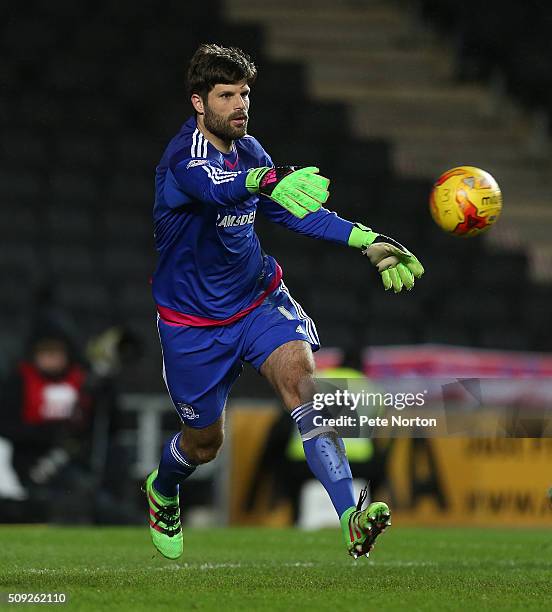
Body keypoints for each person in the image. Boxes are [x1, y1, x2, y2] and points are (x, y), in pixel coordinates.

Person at [144, 43, 424, 560]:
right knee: (204, 444)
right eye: (225, 95)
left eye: (244, 94)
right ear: (198, 103)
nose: (239, 105)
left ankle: (351, 516)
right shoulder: (184, 159)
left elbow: (291, 212)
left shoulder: (250, 150)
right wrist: (268, 179)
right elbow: (220, 188)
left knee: (306, 387)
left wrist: (367, 241)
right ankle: (163, 489)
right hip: (193, 324)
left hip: (256, 301)